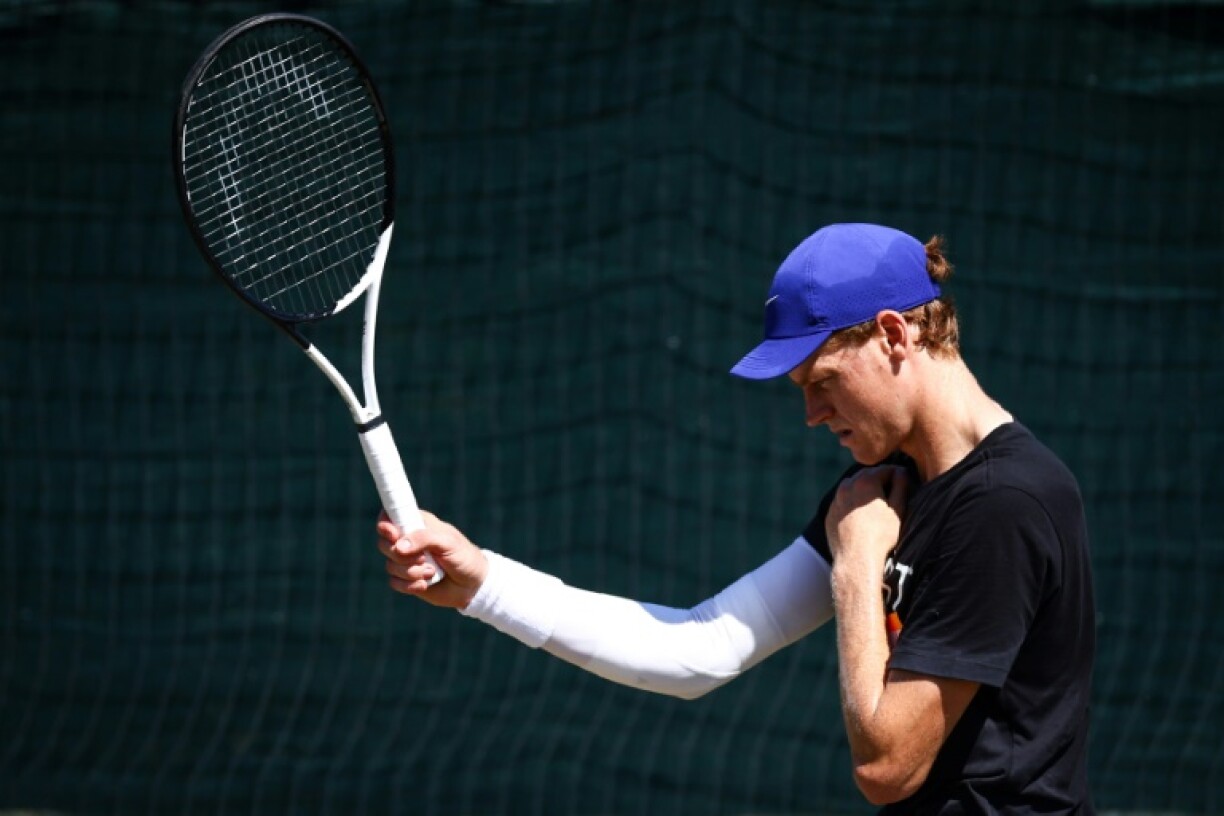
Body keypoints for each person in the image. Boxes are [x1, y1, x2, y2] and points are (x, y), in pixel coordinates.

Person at [377, 223, 1096, 813]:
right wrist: (483, 586)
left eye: (822, 383)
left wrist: (855, 573)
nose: (813, 416)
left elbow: (886, 767)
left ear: (893, 335)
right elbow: (702, 649)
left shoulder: (1003, 505)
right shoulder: (883, 489)